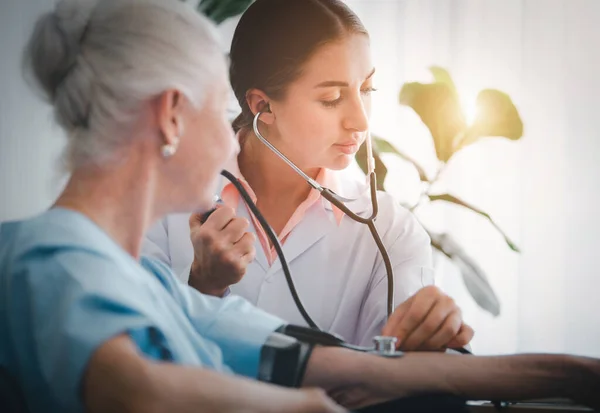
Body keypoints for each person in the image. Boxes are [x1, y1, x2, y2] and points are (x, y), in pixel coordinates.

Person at [2, 1, 600, 413]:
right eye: (221, 107)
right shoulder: (49, 254)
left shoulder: (167, 299)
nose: (231, 132)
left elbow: (366, 371)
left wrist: (575, 376)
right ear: (170, 116)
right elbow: (133, 395)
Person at [143, 0, 473, 351]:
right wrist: (200, 286)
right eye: (332, 98)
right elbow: (123, 353)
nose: (360, 121)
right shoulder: (161, 199)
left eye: (366, 90)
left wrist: (433, 334)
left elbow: (401, 369)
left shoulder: (391, 231)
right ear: (262, 106)